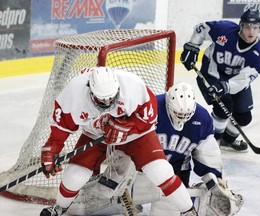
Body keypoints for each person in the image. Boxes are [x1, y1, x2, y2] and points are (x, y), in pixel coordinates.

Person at [67, 82, 243, 216]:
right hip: (141, 168)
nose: (181, 118)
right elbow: (126, 140)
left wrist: (214, 180)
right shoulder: (151, 108)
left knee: (168, 209)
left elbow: (208, 154)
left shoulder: (202, 119)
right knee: (110, 189)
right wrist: (118, 169)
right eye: (177, 113)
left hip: (176, 172)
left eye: (185, 115)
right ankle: (109, 198)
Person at [40, 67, 197, 216]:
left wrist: (129, 126)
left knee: (160, 171)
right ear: (90, 90)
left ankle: (188, 210)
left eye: (111, 98)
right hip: (95, 135)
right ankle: (59, 207)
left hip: (136, 136)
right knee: (74, 176)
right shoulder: (73, 94)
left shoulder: (132, 85)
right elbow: (61, 129)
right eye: (102, 100)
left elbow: (150, 117)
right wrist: (52, 148)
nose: (108, 104)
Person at [180, 9, 260, 152]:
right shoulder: (224, 30)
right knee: (223, 106)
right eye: (247, 27)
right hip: (211, 73)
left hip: (234, 82)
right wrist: (192, 46)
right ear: (241, 26)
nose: (250, 31)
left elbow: (244, 79)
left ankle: (227, 141)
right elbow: (201, 28)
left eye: (255, 27)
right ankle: (212, 141)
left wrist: (226, 86)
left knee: (244, 117)